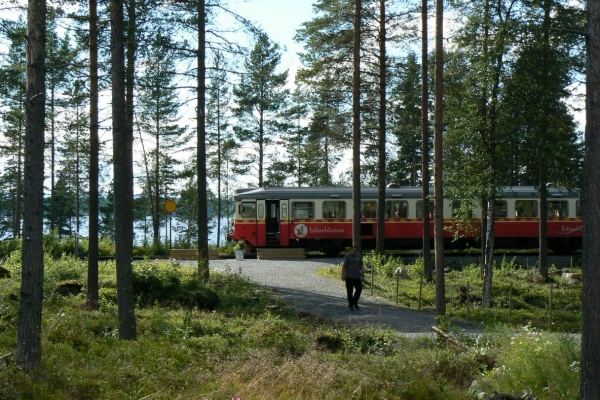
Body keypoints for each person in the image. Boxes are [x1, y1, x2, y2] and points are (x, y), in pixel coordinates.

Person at [342, 245, 365, 311]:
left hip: (356, 276)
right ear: (351, 250)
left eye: (356, 251)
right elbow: (344, 266)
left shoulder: (359, 256)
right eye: (354, 251)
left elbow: (361, 264)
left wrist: (362, 269)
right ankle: (351, 305)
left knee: (359, 289)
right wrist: (343, 275)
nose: (355, 252)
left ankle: (355, 301)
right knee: (350, 292)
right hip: (349, 277)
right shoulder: (348, 256)